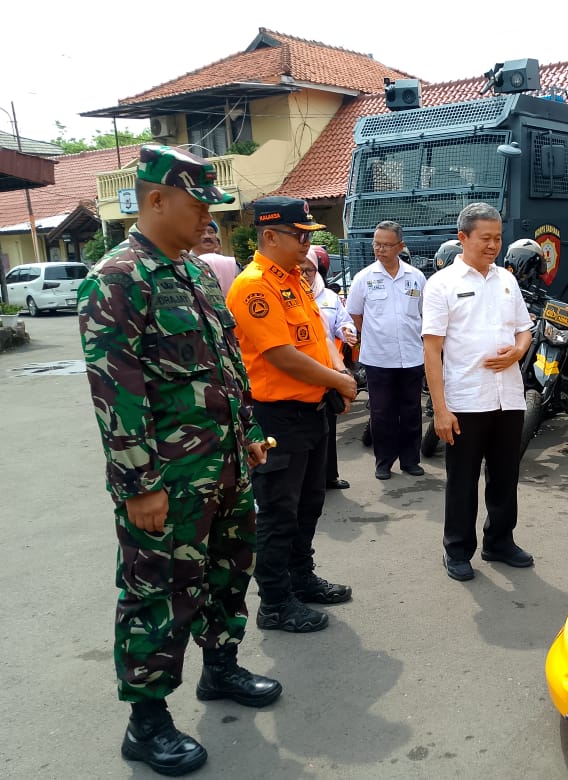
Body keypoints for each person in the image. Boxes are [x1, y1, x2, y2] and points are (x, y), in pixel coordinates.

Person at [78, 144, 281, 777]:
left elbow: (226, 365)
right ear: (156, 200)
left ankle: (220, 667)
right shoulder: (117, 279)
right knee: (156, 594)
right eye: (199, 206)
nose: (208, 219)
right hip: (165, 479)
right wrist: (139, 484)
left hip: (224, 466)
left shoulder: (193, 274)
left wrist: (247, 432)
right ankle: (146, 721)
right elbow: (115, 390)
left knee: (228, 572)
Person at [226, 196, 358, 633]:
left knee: (308, 504)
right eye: (299, 235)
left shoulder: (295, 280)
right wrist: (338, 381)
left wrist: (337, 371)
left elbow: (315, 340)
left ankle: (301, 578)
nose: (306, 242)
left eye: (307, 236)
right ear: (269, 236)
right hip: (276, 414)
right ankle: (275, 602)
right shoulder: (254, 285)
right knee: (279, 511)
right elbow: (280, 355)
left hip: (311, 409)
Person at [422, 203, 534, 581]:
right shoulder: (442, 285)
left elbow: (524, 329)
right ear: (463, 238)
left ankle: (499, 541)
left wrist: (519, 350)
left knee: (505, 476)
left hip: (509, 397)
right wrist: (440, 409)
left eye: (498, 238)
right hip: (466, 399)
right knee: (463, 480)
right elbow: (432, 350)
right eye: (485, 238)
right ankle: (457, 549)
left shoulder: (506, 279)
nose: (493, 245)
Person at [346, 220, 427, 480]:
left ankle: (410, 460)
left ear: (400, 246)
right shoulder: (364, 278)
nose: (380, 249)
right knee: (382, 414)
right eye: (376, 244)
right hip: (378, 359)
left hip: (412, 357)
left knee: (412, 411)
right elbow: (356, 315)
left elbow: (424, 314)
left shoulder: (416, 277)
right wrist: (376, 334)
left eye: (386, 245)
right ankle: (383, 463)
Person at [303, 247, 357, 490]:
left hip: (330, 369)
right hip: (302, 370)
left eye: (310, 269)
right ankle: (308, 480)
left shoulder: (328, 297)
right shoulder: (289, 295)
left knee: (327, 425)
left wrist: (348, 332)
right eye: (301, 269)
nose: (305, 274)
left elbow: (343, 324)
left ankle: (329, 476)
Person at [192, 220, 239, 295]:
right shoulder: (184, 264)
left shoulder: (230, 264)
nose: (207, 236)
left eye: (211, 232)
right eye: (201, 233)